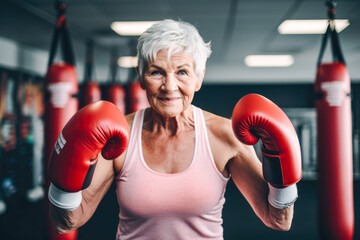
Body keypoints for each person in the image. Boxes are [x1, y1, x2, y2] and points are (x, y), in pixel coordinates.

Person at [48, 19, 301, 239]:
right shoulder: (120, 135)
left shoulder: (224, 136)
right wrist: (63, 182)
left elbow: (279, 220)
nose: (169, 86)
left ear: (198, 77)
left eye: (182, 72)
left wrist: (283, 174)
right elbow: (67, 221)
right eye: (157, 72)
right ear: (141, 76)